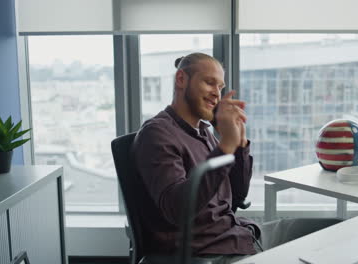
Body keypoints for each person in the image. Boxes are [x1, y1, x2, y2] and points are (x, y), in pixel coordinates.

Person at [132, 52, 340, 263]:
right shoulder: (157, 134)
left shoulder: (204, 132)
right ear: (181, 79)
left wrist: (239, 144)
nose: (216, 94)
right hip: (211, 252)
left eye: (220, 87)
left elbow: (237, 197)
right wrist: (225, 146)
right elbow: (178, 209)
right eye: (209, 82)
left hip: (239, 234)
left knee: (332, 230)